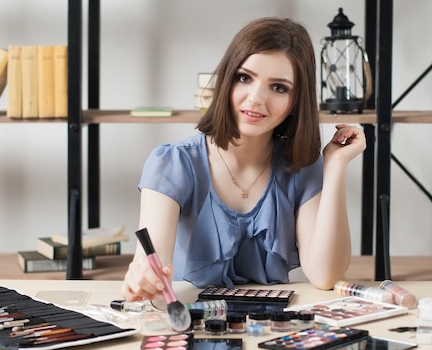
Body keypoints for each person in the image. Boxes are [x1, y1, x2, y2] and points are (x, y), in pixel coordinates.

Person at [121, 17, 366, 303]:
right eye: (244, 78)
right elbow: (152, 262)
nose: (256, 99)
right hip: (192, 325)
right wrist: (145, 277)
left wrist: (335, 166)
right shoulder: (172, 163)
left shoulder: (302, 167)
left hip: (272, 328)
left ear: (297, 100)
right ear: (226, 79)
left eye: (278, 88)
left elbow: (325, 275)